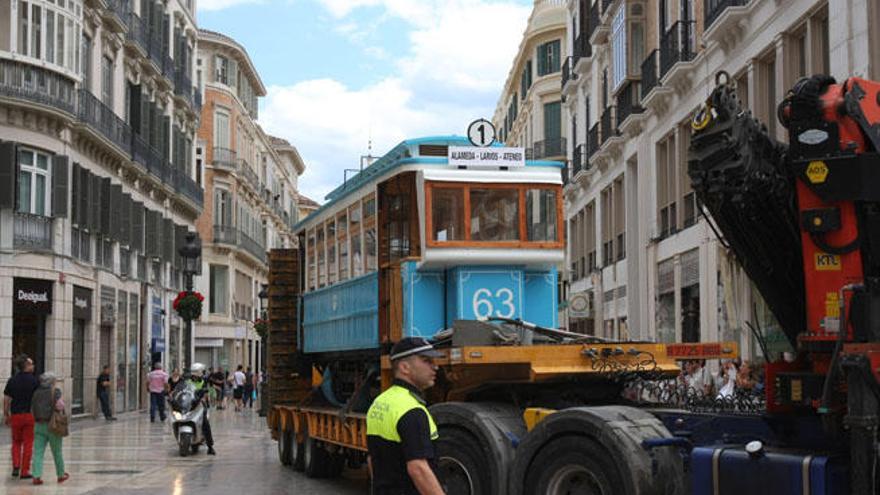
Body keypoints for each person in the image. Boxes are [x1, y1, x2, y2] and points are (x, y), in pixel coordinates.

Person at [367, 337, 445, 495]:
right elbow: (418, 469)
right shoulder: (412, 410)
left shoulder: (380, 402)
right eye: (427, 361)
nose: (435, 367)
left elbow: (372, 460)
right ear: (404, 367)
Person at [30, 372, 69, 485]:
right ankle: (61, 474)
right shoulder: (55, 391)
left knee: (38, 452)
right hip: (53, 425)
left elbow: (32, 408)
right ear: (52, 382)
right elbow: (60, 405)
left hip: (38, 424)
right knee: (57, 451)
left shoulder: (36, 392)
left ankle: (36, 475)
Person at [3, 354, 38, 479]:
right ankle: (24, 471)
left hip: (16, 416)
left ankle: (16, 465)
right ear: (27, 366)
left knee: (16, 442)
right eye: (31, 363)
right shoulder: (35, 381)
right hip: (29, 415)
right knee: (28, 443)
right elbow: (37, 399)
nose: (33, 365)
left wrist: (6, 414)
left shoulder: (12, 380)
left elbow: (6, 399)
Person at [186, 363, 216, 455]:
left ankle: (210, 446)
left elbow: (206, 393)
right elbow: (182, 389)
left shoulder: (204, 381)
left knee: (205, 423)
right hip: (188, 405)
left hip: (200, 405)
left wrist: (204, 397)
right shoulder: (187, 381)